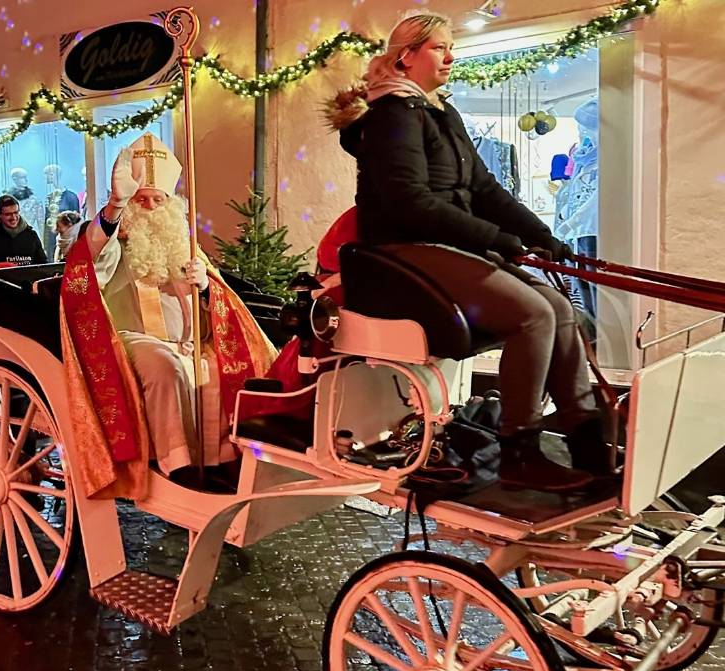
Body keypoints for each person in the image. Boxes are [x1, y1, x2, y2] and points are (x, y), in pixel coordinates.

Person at [330, 12, 605, 491]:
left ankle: (588, 442)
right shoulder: (394, 115)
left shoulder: (441, 114)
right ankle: (519, 453)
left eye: (449, 46)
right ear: (405, 57)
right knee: (532, 315)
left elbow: (485, 188)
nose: (451, 56)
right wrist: (497, 240)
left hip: (441, 244)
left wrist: (543, 236)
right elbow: (409, 203)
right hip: (402, 251)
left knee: (560, 308)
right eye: (439, 47)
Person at [78, 132, 275, 485]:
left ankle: (219, 463)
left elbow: (219, 302)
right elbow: (89, 267)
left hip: (188, 342)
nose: (151, 208)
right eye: (142, 199)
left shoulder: (181, 242)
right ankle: (177, 466)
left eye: (158, 200)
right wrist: (113, 208)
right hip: (132, 340)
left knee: (217, 365)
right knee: (166, 367)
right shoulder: (114, 239)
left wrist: (205, 287)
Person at [0, 195, 47, 282]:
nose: (14, 218)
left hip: (27, 290)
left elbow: (43, 265)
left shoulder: (31, 236)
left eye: (16, 212)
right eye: (8, 214)